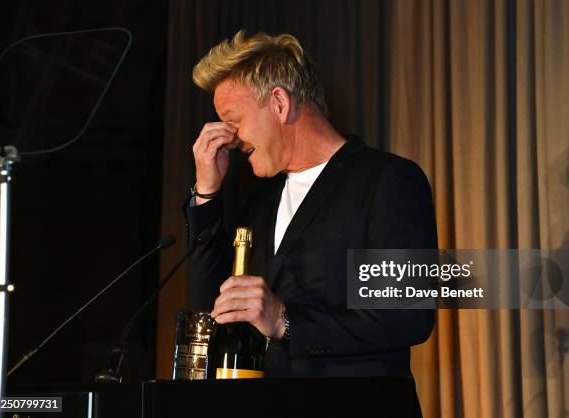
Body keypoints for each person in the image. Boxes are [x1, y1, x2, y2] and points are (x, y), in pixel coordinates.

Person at [184, 30, 437, 412]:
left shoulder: (386, 180)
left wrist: (286, 321)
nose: (230, 139)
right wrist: (206, 193)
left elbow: (408, 317)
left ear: (280, 103)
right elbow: (213, 305)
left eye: (233, 120)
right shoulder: (259, 201)